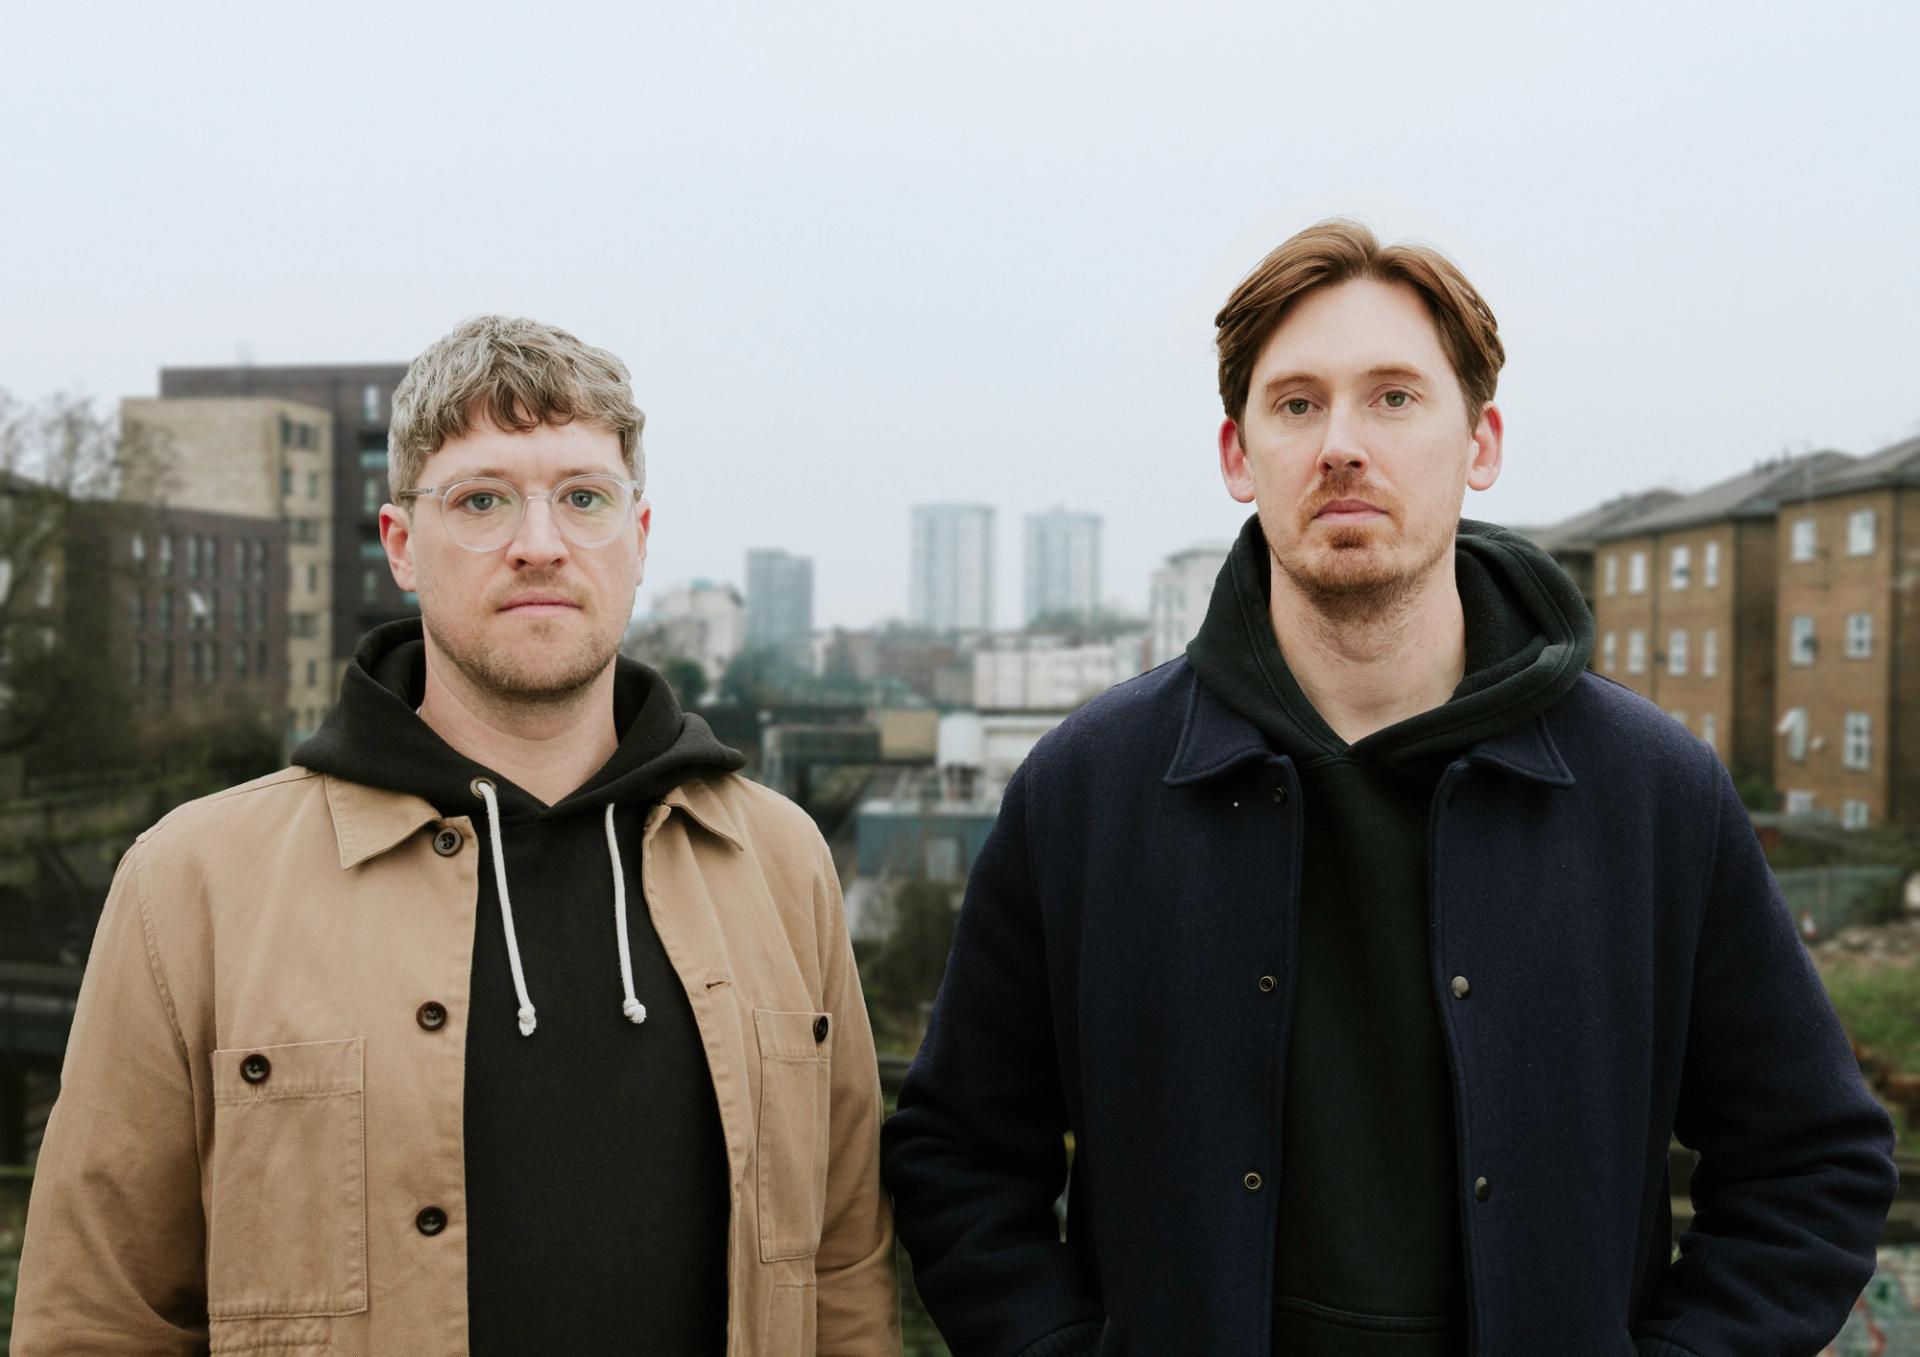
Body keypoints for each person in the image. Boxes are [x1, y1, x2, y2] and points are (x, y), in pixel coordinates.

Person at [882, 220, 1898, 1356]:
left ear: (1481, 442)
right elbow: (961, 1158)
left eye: (1395, 398)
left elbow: (1812, 1161)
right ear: (1238, 455)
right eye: (1297, 403)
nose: (1342, 446)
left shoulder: (1651, 792)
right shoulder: (1088, 790)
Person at [15, 316, 899, 1355]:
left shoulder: (780, 861)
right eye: (482, 499)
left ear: (639, 537)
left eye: (583, 497)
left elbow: (843, 1267)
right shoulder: (193, 881)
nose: (540, 542)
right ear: (401, 544)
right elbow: (97, 1315)